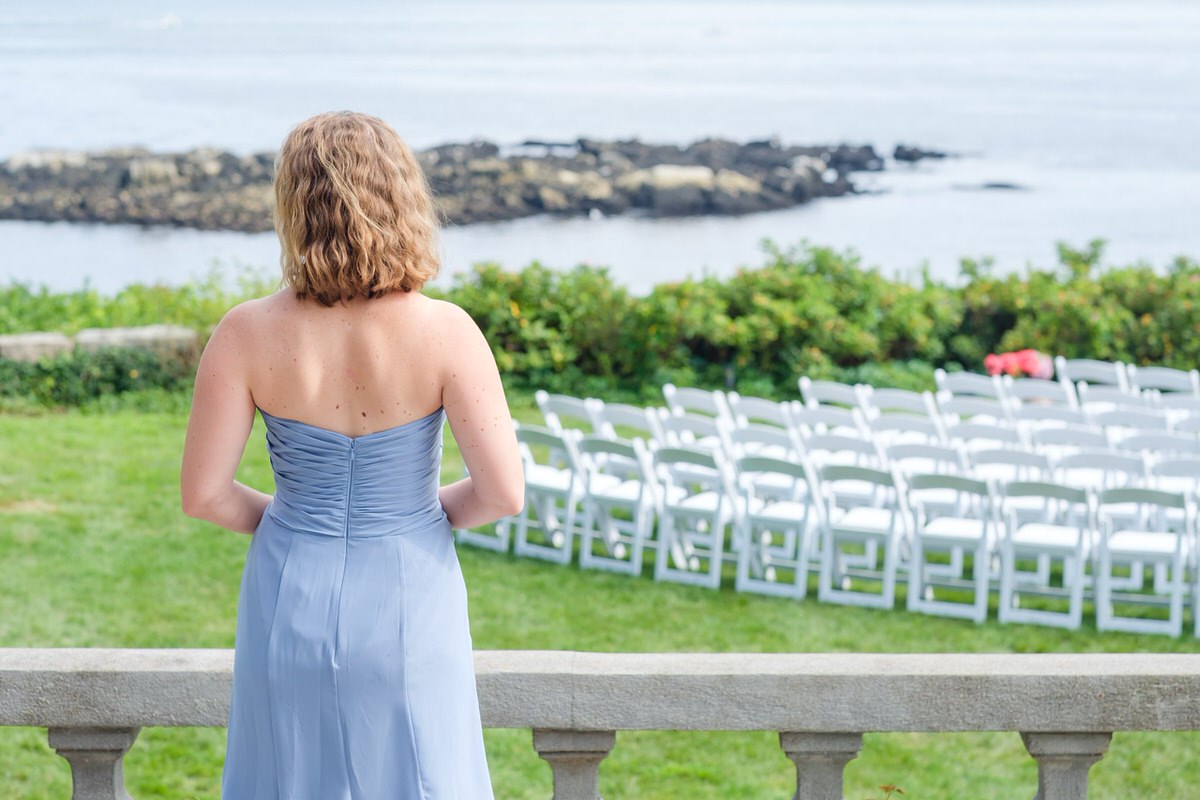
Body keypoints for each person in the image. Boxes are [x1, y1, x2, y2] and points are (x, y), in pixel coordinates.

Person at [180, 110, 523, 799]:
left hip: (288, 593)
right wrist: (407, 515)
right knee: (422, 773)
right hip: (410, 593)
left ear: (294, 208)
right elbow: (502, 495)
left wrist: (301, 517)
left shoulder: (245, 333)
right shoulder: (447, 332)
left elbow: (206, 496)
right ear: (400, 198)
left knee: (286, 773)